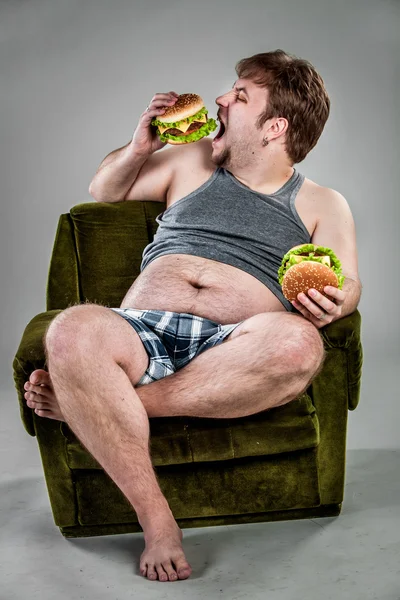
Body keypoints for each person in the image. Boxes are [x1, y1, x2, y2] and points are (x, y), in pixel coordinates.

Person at [23, 49, 361, 583]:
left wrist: (338, 300)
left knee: (301, 346)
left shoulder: (323, 203)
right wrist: (139, 149)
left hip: (237, 343)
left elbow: (349, 280)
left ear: (275, 127)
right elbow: (104, 190)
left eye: (240, 96)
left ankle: (98, 406)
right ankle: (157, 518)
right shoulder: (190, 159)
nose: (221, 99)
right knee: (70, 330)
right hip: (143, 332)